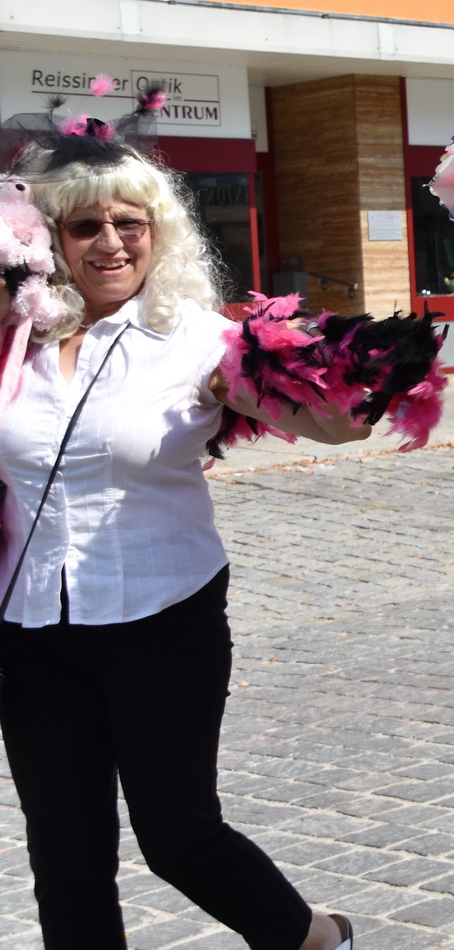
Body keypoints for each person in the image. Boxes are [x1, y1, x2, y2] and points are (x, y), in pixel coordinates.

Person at [0, 141, 368, 950]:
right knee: (64, 853)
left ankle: (313, 938)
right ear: (50, 240)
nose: (109, 243)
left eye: (129, 223)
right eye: (85, 224)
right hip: (29, 626)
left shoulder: (199, 340)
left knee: (178, 837)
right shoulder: (15, 341)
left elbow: (341, 424)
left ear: (157, 232)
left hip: (161, 618)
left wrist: (288, 379)